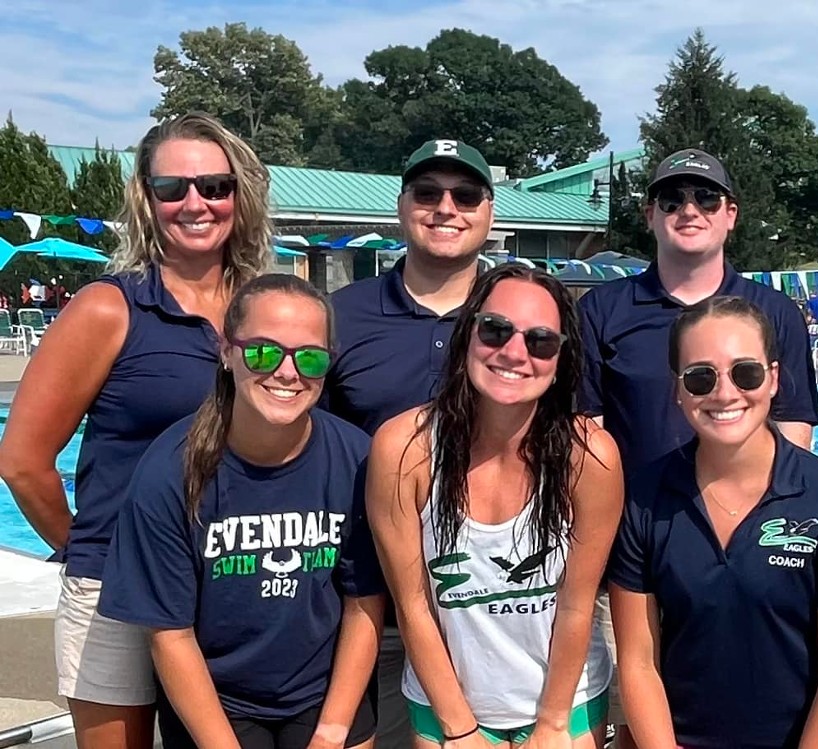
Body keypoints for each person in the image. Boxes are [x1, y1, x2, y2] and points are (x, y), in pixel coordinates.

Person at [0, 112, 273, 749]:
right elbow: (22, 460)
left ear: (239, 195)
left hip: (230, 575)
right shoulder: (107, 307)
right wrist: (90, 552)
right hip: (116, 589)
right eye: (172, 188)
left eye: (214, 186)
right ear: (147, 200)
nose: (195, 203)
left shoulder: (263, 309)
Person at [578, 148, 818, 747]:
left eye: (706, 198)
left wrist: (759, 536)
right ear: (650, 215)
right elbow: (586, 434)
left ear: (730, 214)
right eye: (672, 199)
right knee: (638, 717)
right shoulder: (604, 310)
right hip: (634, 553)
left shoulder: (773, 313)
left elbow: (794, 430)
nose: (690, 210)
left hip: (744, 554)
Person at [98, 274, 385, 749]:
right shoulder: (169, 472)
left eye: (310, 357)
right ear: (227, 352)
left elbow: (363, 604)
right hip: (216, 696)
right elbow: (170, 635)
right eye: (263, 353)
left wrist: (333, 732)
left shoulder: (357, 461)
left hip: (322, 690)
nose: (287, 372)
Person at [608, 296, 818, 749]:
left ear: (773, 378)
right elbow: (639, 663)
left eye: (746, 373)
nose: (724, 393)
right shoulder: (645, 499)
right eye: (701, 377)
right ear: (678, 389)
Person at [367, 264, 622, 747]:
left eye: (541, 341)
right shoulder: (404, 449)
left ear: (562, 359)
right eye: (495, 329)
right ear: (467, 334)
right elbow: (413, 604)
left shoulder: (589, 455)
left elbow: (576, 604)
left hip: (564, 700)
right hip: (448, 704)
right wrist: (460, 729)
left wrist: (552, 723)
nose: (514, 353)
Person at [322, 137, 496, 747]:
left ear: (489, 211)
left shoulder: (521, 319)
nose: (446, 208)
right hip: (368, 608)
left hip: (497, 607)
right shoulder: (341, 316)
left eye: (465, 195)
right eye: (427, 193)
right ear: (401, 206)